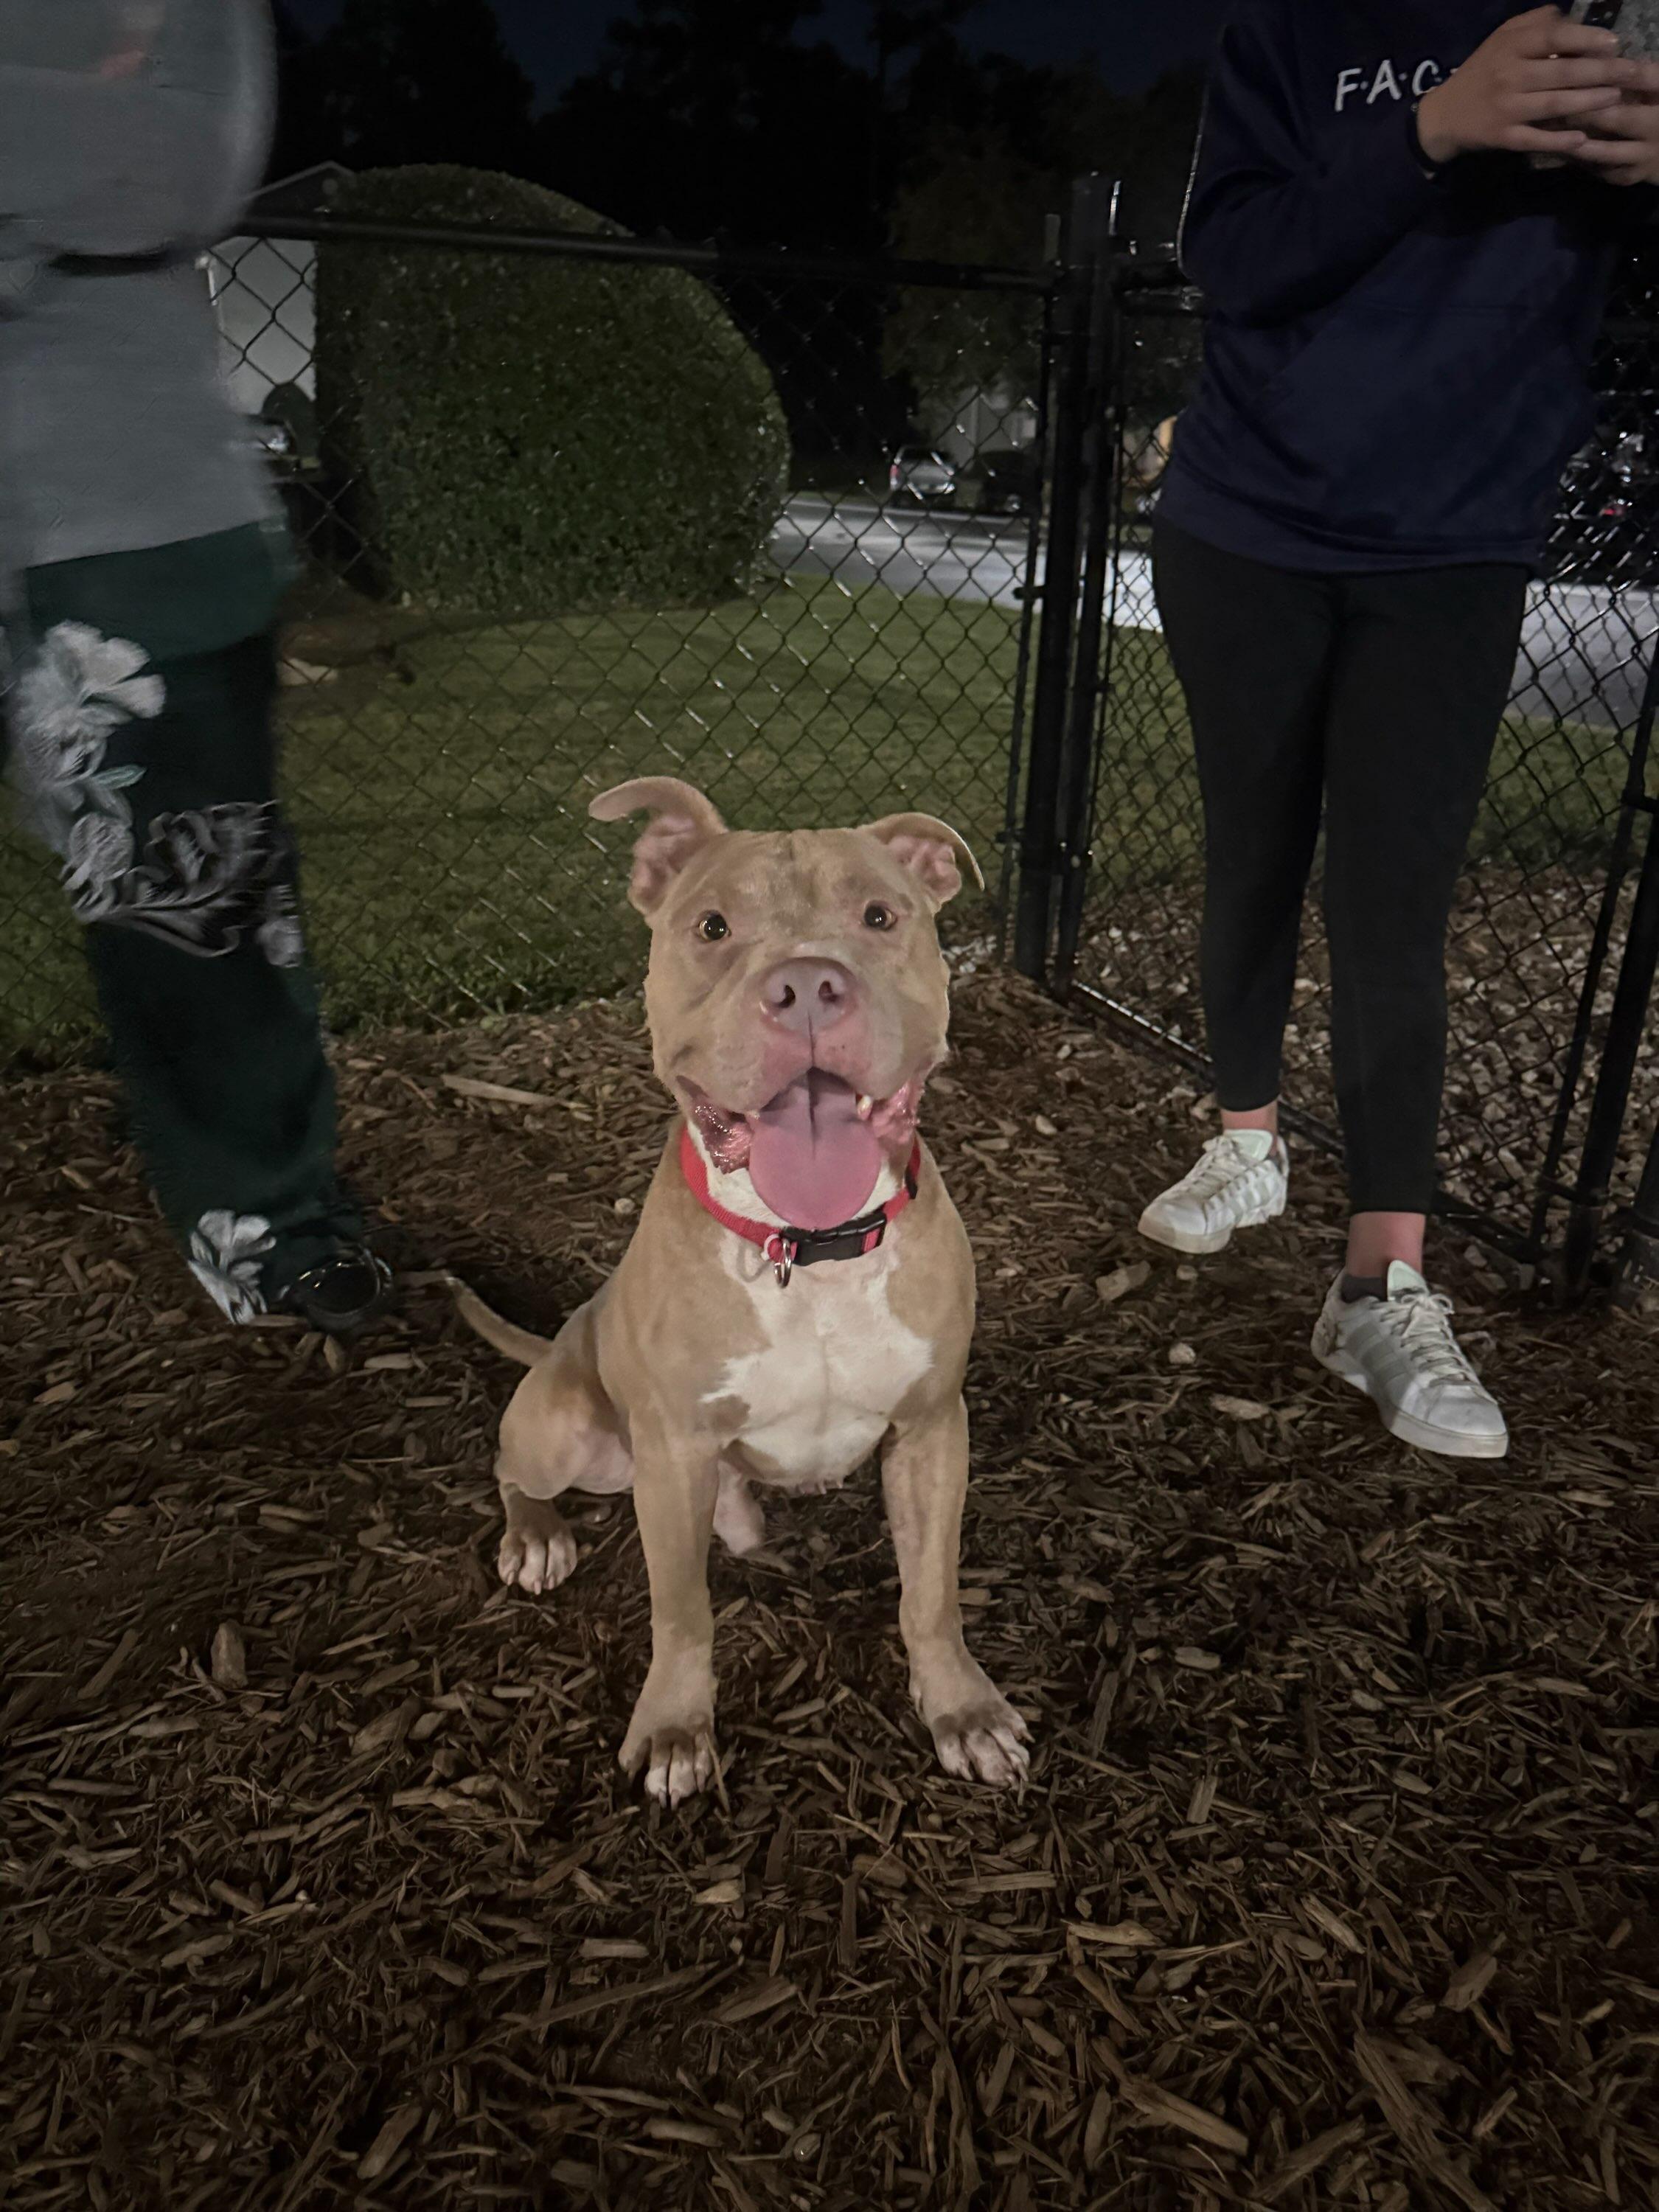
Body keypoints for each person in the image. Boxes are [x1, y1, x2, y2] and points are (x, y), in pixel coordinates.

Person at [1138, 3, 1659, 1457]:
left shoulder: (1614, 23)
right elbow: (1233, 256)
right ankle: (1248, 1140)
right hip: (1245, 526)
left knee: (1392, 915)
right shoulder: (1292, 27)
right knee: (1250, 850)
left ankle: (1379, 1287)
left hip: (1451, 550)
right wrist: (1429, 129)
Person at [0, 0, 390, 1334]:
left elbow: (185, 166)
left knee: (205, 909)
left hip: (132, 517)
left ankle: (270, 1225)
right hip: (112, 496)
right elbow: (113, 164)